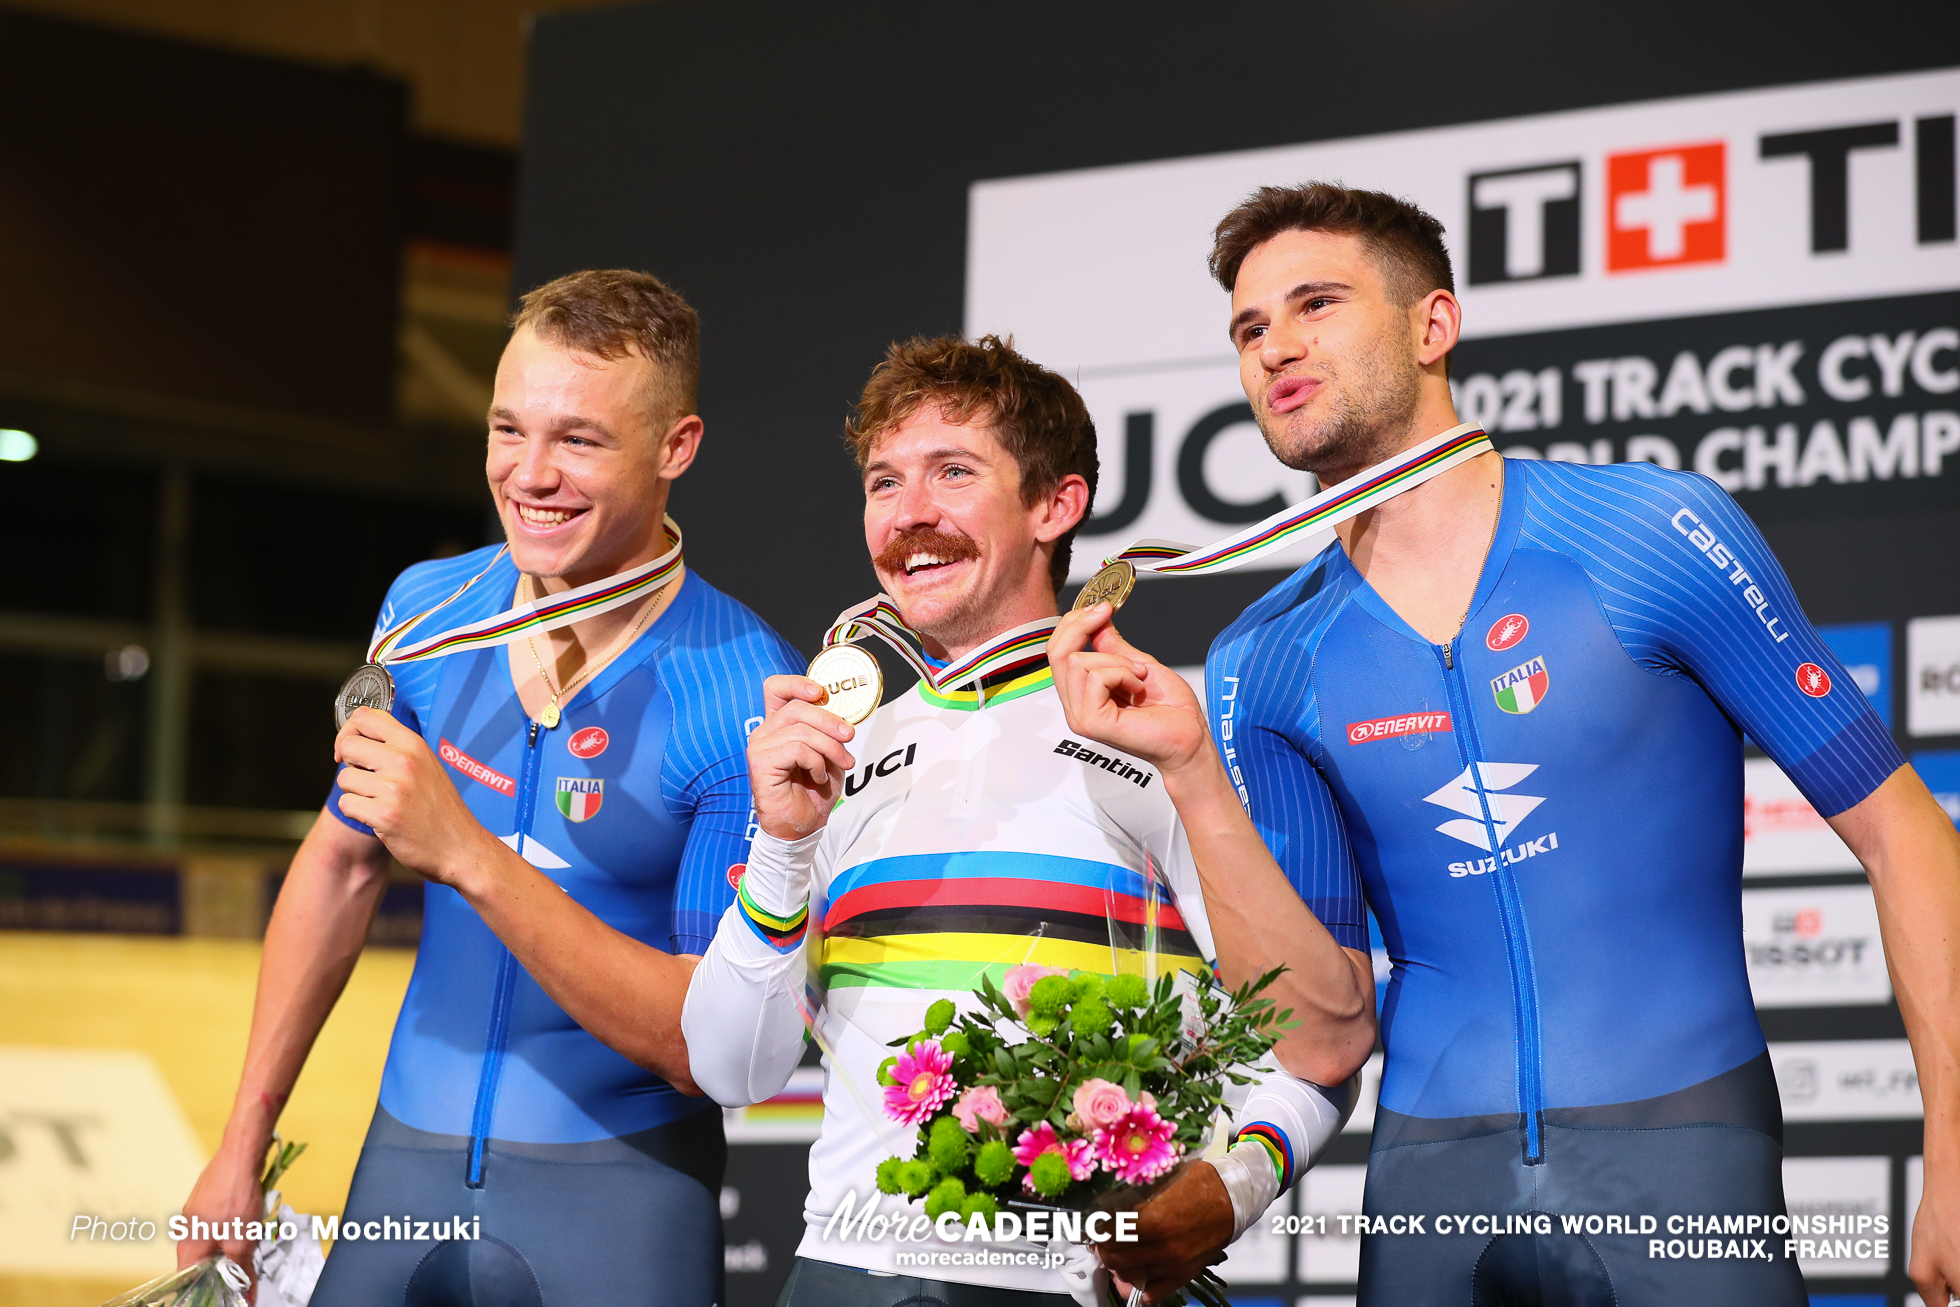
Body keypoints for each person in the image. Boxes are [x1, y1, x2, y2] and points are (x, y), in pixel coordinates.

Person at [1049, 182, 1960, 1306]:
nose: (1275, 344)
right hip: (1430, 1181)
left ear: (1433, 325)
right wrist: (1190, 771)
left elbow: (1905, 831)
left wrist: (1957, 1152)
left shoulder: (1647, 534)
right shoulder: (1262, 658)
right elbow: (1320, 1026)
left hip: (1681, 1146)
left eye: (1316, 303)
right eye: (1248, 328)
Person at [679, 336, 1374, 1307]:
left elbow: (1320, 1043)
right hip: (835, 1270)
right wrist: (783, 844)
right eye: (884, 482)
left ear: (1057, 504)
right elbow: (727, 1069)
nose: (908, 512)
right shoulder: (831, 747)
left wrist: (1227, 1189)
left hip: (1057, 1289)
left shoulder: (1159, 730)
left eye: (952, 472)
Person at [177, 269, 802, 1306]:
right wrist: (240, 1143)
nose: (530, 473)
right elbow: (339, 863)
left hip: (621, 1197)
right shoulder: (428, 607)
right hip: (402, 1168)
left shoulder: (743, 683)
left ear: (675, 449)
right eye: (507, 429)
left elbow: (702, 1043)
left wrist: (467, 849)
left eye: (580, 440)